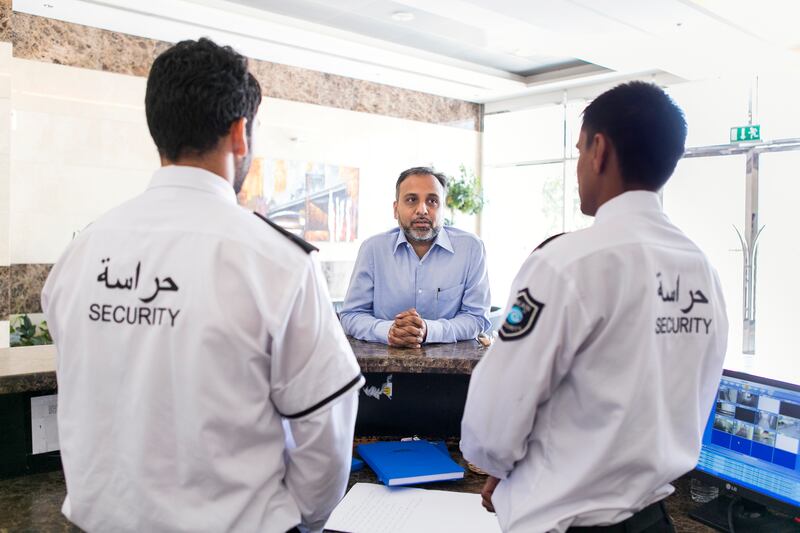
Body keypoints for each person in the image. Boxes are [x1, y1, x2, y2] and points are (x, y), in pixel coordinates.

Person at [41, 38, 364, 533]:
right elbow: (326, 428)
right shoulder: (276, 262)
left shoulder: (81, 253)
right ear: (240, 134)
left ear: (158, 130)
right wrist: (300, 520)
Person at [460, 81, 728, 533]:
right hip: (655, 520)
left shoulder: (565, 264)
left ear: (599, 150)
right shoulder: (701, 269)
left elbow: (493, 420)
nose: (580, 164)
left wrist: (501, 468)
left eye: (580, 148)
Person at [340, 166, 491, 347]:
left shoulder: (471, 249)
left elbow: (476, 317)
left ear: (444, 209)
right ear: (396, 209)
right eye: (411, 200)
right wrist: (388, 331)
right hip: (382, 370)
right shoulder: (373, 249)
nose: (422, 210)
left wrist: (428, 330)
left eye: (432, 201)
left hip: (453, 371)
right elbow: (351, 315)